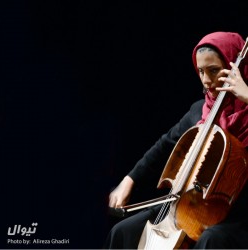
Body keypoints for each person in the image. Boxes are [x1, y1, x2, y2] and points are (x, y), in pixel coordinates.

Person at [103, 31, 248, 249]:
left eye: (214, 70)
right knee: (123, 231)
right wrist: (129, 180)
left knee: (210, 240)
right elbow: (163, 146)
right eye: (201, 71)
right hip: (186, 205)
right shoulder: (199, 112)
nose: (206, 80)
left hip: (239, 215)